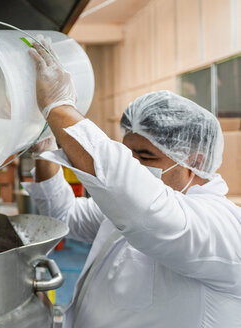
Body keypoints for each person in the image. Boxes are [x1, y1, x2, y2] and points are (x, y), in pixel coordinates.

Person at [22, 39, 241, 327]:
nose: (134, 165)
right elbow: (65, 216)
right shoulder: (127, 208)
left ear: (195, 163)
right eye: (129, 153)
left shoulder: (222, 225)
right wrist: (46, 145)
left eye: (146, 156)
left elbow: (149, 214)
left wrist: (60, 109)